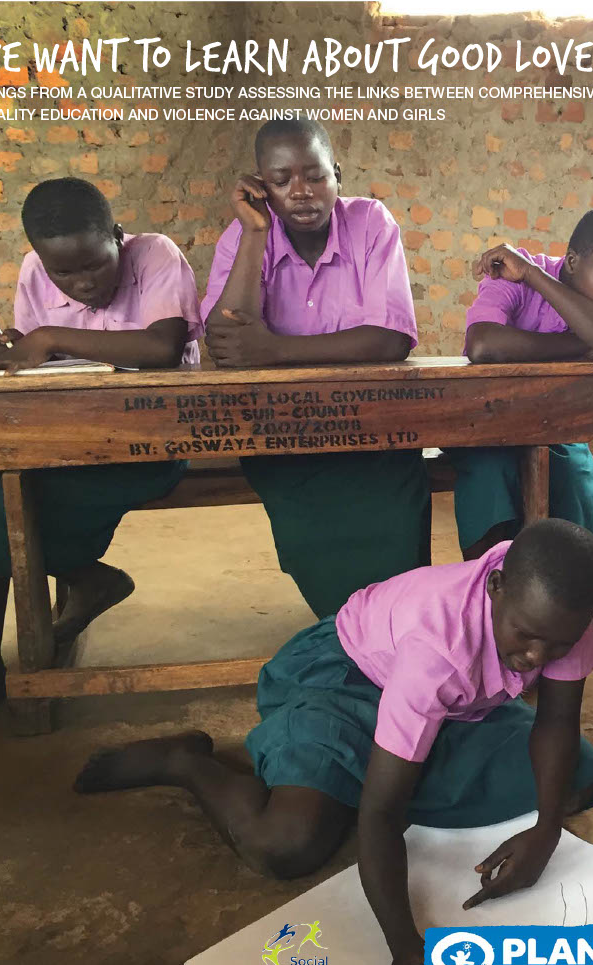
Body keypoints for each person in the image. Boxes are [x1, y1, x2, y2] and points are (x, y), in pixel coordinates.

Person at [75, 518, 593, 965]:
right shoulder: (438, 649)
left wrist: (546, 832)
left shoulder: (557, 614)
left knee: (576, 776)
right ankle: (185, 761)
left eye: (558, 644)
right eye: (525, 636)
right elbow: (380, 815)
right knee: (286, 843)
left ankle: (369, 767)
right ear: (495, 589)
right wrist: (407, 950)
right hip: (346, 678)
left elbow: (557, 724)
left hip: (455, 706)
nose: (538, 657)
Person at [0, 177, 202, 732]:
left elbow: (162, 347)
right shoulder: (33, 271)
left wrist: (51, 336)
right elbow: (41, 367)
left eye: (95, 266)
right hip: (62, 439)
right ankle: (65, 594)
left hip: (151, 443)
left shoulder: (156, 256)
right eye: (63, 274)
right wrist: (15, 358)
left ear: (118, 237)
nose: (82, 284)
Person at [199, 116, 431, 618]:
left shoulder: (370, 223)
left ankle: (393, 631)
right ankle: (348, 629)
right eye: (281, 181)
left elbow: (390, 339)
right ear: (261, 188)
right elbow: (226, 339)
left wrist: (272, 350)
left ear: (338, 175)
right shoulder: (242, 239)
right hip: (282, 435)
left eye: (315, 176)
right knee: (315, 544)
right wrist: (256, 229)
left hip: (375, 433)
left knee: (393, 531)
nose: (301, 192)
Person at [450, 207, 593, 654]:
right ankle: (493, 599)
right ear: (574, 261)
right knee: (487, 477)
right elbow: (483, 344)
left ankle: (575, 601)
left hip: (558, 430)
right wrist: (582, 342)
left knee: (575, 474)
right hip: (489, 425)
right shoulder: (511, 273)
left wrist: (538, 279)